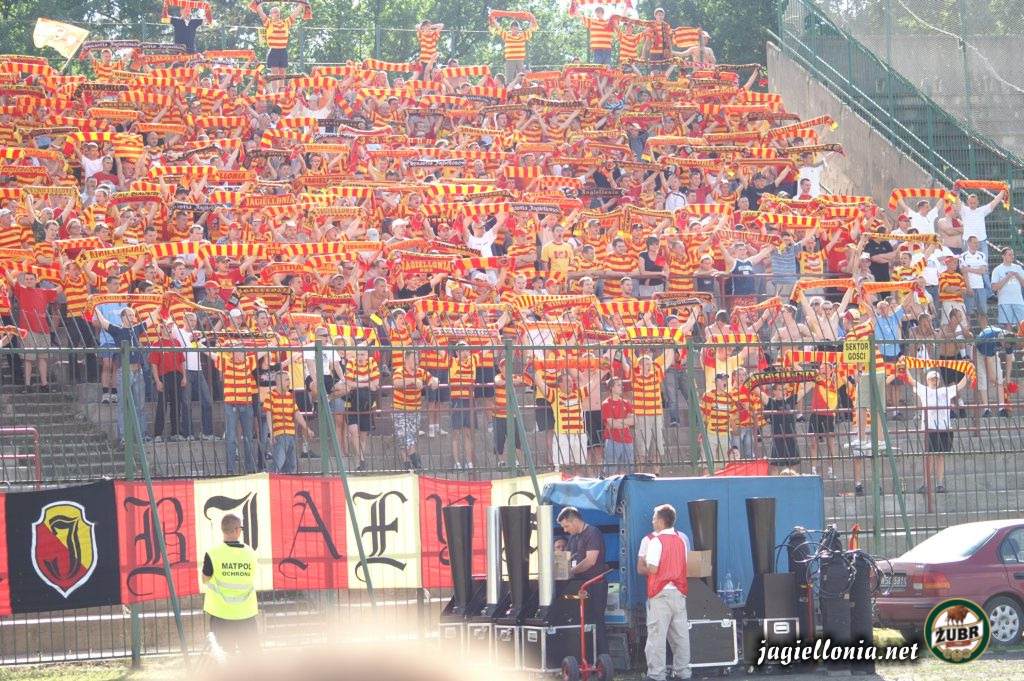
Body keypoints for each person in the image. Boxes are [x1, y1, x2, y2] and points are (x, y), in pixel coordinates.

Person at [637, 504, 691, 681]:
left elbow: (652, 569)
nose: (652, 521)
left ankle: (656, 674)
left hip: (660, 593)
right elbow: (684, 565)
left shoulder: (655, 541)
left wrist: (646, 562)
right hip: (679, 592)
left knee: (656, 636)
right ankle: (683, 672)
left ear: (661, 521)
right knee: (681, 636)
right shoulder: (681, 540)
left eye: (654, 518)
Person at [906, 367, 971, 495]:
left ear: (939, 380)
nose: (934, 381)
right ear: (927, 380)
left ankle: (939, 483)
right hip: (930, 428)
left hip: (943, 427)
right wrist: (906, 368)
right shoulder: (924, 390)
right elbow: (911, 381)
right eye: (932, 379)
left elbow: (960, 385)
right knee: (929, 456)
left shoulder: (945, 390)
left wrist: (968, 372)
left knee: (940, 456)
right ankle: (926, 483)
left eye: (936, 379)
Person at [202, 514, 258, 655]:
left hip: (221, 615)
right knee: (251, 658)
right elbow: (251, 576)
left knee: (224, 658)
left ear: (223, 530)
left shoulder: (213, 553)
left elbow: (205, 579)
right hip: (246, 614)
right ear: (237, 530)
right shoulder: (250, 553)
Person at [557, 507, 608, 659]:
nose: (565, 530)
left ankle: (603, 659)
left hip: (595, 585)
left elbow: (590, 560)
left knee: (596, 621)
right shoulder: (573, 538)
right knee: (578, 621)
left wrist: (571, 572)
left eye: (566, 526)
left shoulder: (593, 533)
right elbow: (568, 559)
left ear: (575, 521)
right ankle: (581, 657)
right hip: (578, 586)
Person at [992, 247, 1024, 325]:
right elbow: (994, 287)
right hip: (1004, 301)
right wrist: (1007, 277)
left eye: (1013, 254)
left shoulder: (1018, 268)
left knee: (1021, 325)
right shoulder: (997, 269)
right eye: (1009, 255)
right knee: (1007, 326)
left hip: (1018, 301)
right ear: (1003, 256)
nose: (1012, 256)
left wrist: (1018, 276)